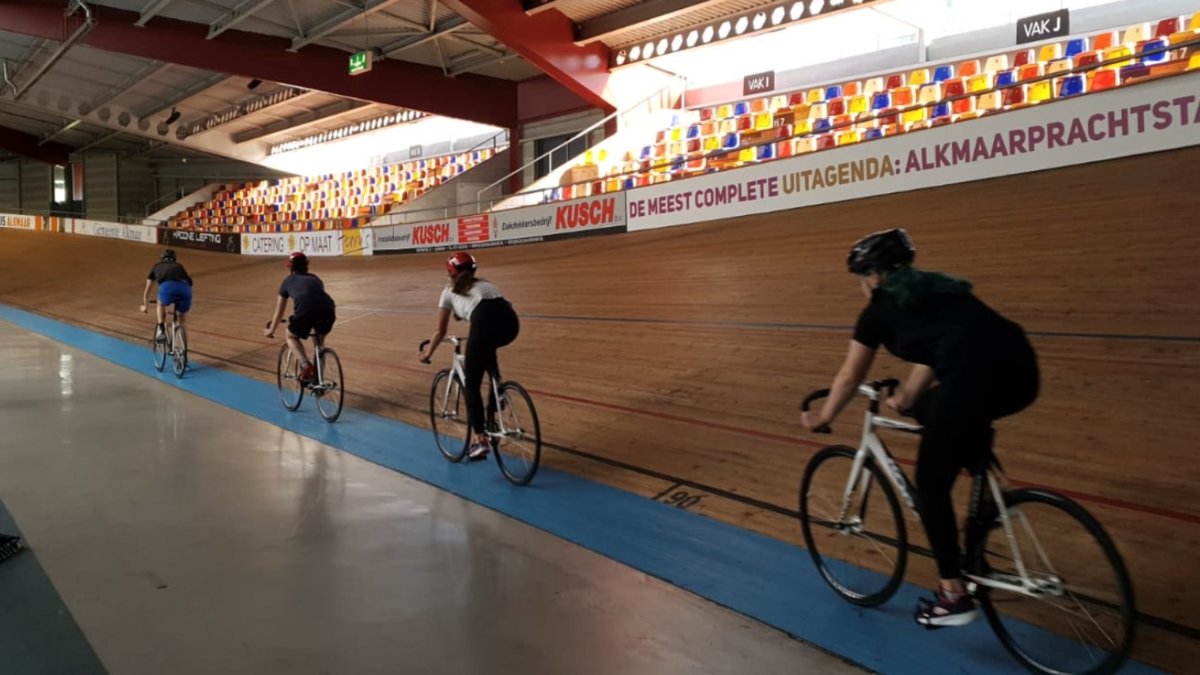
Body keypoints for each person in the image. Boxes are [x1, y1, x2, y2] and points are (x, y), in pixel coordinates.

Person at [801, 228, 1039, 628]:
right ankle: (983, 490)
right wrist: (909, 398)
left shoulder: (877, 311)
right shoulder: (938, 288)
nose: (862, 286)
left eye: (862, 278)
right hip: (1022, 374)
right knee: (937, 407)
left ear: (875, 276)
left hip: (972, 380)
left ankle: (953, 596)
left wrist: (823, 417)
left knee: (930, 486)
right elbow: (941, 347)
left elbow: (850, 375)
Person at [419, 252, 520, 461]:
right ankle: (498, 393)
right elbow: (495, 308)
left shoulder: (448, 291)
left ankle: (479, 440)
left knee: (472, 385)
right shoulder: (485, 284)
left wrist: (427, 354)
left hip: (484, 321)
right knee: (487, 347)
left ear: (450, 274)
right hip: (510, 323)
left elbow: (440, 331)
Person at [264, 252, 336, 383]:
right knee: (319, 344)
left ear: (290, 267)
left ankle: (305, 365)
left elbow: (279, 313)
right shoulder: (316, 278)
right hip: (329, 311)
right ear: (307, 265)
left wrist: (271, 331)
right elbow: (316, 298)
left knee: (290, 336)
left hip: (305, 312)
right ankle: (318, 382)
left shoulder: (287, 282)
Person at [140, 248, 193, 341]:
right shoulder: (179, 266)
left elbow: (147, 291)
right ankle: (183, 347)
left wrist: (145, 306)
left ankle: (162, 330)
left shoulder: (156, 266)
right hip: (185, 289)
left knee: (160, 303)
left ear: (161, 258)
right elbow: (190, 283)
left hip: (167, 287)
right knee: (182, 320)